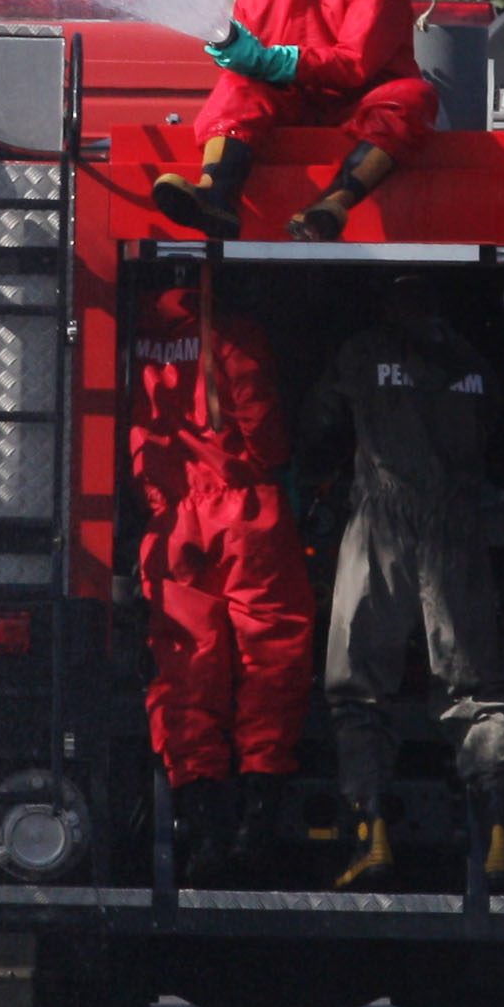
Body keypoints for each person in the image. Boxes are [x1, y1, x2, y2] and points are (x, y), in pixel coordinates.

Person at [304, 272, 504, 889]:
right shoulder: (474, 362)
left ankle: (369, 835)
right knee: (477, 690)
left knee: (358, 690)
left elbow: (318, 434)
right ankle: (499, 841)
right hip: (457, 528)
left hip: (379, 524)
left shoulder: (360, 352)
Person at [152, 0, 436, 243]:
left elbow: (356, 64)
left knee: (412, 98)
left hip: (360, 103)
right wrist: (233, 55)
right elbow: (249, 72)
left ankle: (334, 202)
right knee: (238, 86)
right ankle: (216, 194)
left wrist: (276, 61)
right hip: (289, 107)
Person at [128, 275, 314, 876]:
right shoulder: (232, 332)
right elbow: (258, 413)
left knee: (186, 662)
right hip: (243, 506)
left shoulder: (135, 336)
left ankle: (200, 819)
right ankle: (258, 812)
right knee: (270, 651)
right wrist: (272, 467)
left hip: (169, 520)